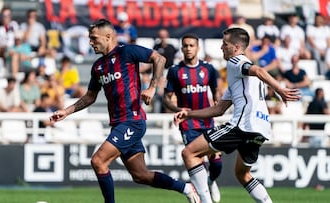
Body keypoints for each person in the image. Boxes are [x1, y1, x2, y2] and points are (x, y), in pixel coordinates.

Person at [49, 19, 199, 203]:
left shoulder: (126, 51)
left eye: (94, 38)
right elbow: (90, 97)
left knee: (98, 161)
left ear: (108, 36)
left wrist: (152, 87)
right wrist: (66, 111)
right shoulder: (98, 67)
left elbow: (159, 59)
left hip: (132, 121)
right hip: (118, 124)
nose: (90, 42)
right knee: (141, 175)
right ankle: (185, 187)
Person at [174, 27, 301, 203]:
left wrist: (279, 89)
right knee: (243, 174)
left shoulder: (236, 61)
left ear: (235, 47)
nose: (221, 48)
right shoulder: (239, 78)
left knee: (189, 153)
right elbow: (218, 109)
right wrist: (189, 114)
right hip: (260, 128)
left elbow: (258, 70)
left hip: (243, 125)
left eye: (224, 44)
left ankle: (205, 201)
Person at [163, 33, 222, 203]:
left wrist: (218, 100)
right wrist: (177, 109)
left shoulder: (208, 69)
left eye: (191, 45)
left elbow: (216, 89)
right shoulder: (175, 71)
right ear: (181, 48)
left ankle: (211, 182)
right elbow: (167, 97)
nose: (188, 48)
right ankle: (204, 197)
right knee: (196, 158)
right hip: (188, 123)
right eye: (185, 46)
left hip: (207, 120)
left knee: (216, 163)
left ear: (198, 48)